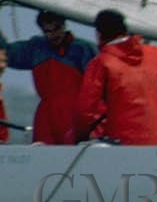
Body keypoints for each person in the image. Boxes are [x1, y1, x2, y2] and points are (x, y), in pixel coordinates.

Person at [74, 9, 157, 145]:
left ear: (99, 34)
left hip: (124, 143)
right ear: (125, 29)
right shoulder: (155, 53)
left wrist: (80, 137)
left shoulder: (101, 62)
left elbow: (85, 109)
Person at [7, 10, 97, 144]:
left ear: (64, 25)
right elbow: (3, 53)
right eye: (47, 31)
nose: (53, 34)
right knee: (42, 154)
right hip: (46, 115)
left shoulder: (84, 49)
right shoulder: (36, 47)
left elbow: (97, 86)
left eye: (56, 29)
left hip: (74, 113)